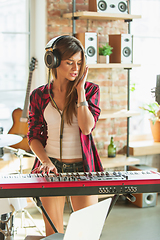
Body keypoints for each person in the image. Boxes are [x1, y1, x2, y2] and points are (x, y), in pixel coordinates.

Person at [27, 35, 104, 236]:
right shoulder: (39, 95)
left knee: (86, 234)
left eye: (79, 63)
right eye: (70, 62)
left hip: (84, 168)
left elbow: (87, 127)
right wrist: (45, 161)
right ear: (53, 61)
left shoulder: (90, 90)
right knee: (53, 234)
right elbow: (33, 136)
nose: (75, 68)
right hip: (51, 168)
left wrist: (80, 93)